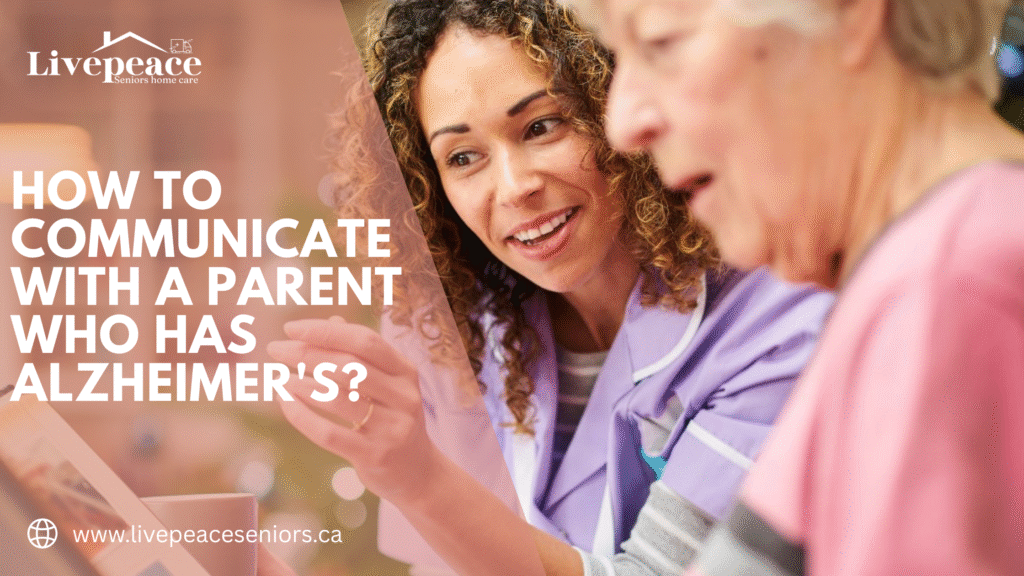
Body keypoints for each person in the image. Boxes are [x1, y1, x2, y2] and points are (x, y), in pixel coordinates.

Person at [269, 1, 832, 575]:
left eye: (541, 126)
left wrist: (421, 479)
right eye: (463, 157)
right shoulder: (449, 333)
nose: (514, 188)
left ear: (617, 102)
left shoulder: (778, 320)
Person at [586, 0, 1024, 573]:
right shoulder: (921, 271)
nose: (622, 124)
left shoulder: (950, 283)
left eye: (661, 42)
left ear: (853, 15)